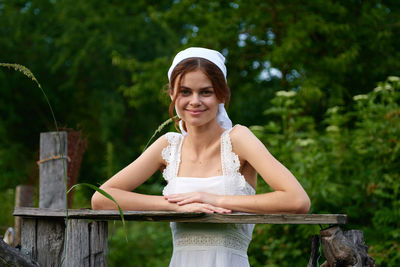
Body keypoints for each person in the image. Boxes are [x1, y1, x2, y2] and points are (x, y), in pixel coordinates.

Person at [91, 47, 310, 267]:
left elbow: (297, 200)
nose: (195, 101)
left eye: (206, 92)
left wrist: (215, 199)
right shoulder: (169, 145)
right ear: (171, 94)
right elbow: (101, 199)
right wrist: (172, 206)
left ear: (221, 95)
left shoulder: (238, 139)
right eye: (185, 92)